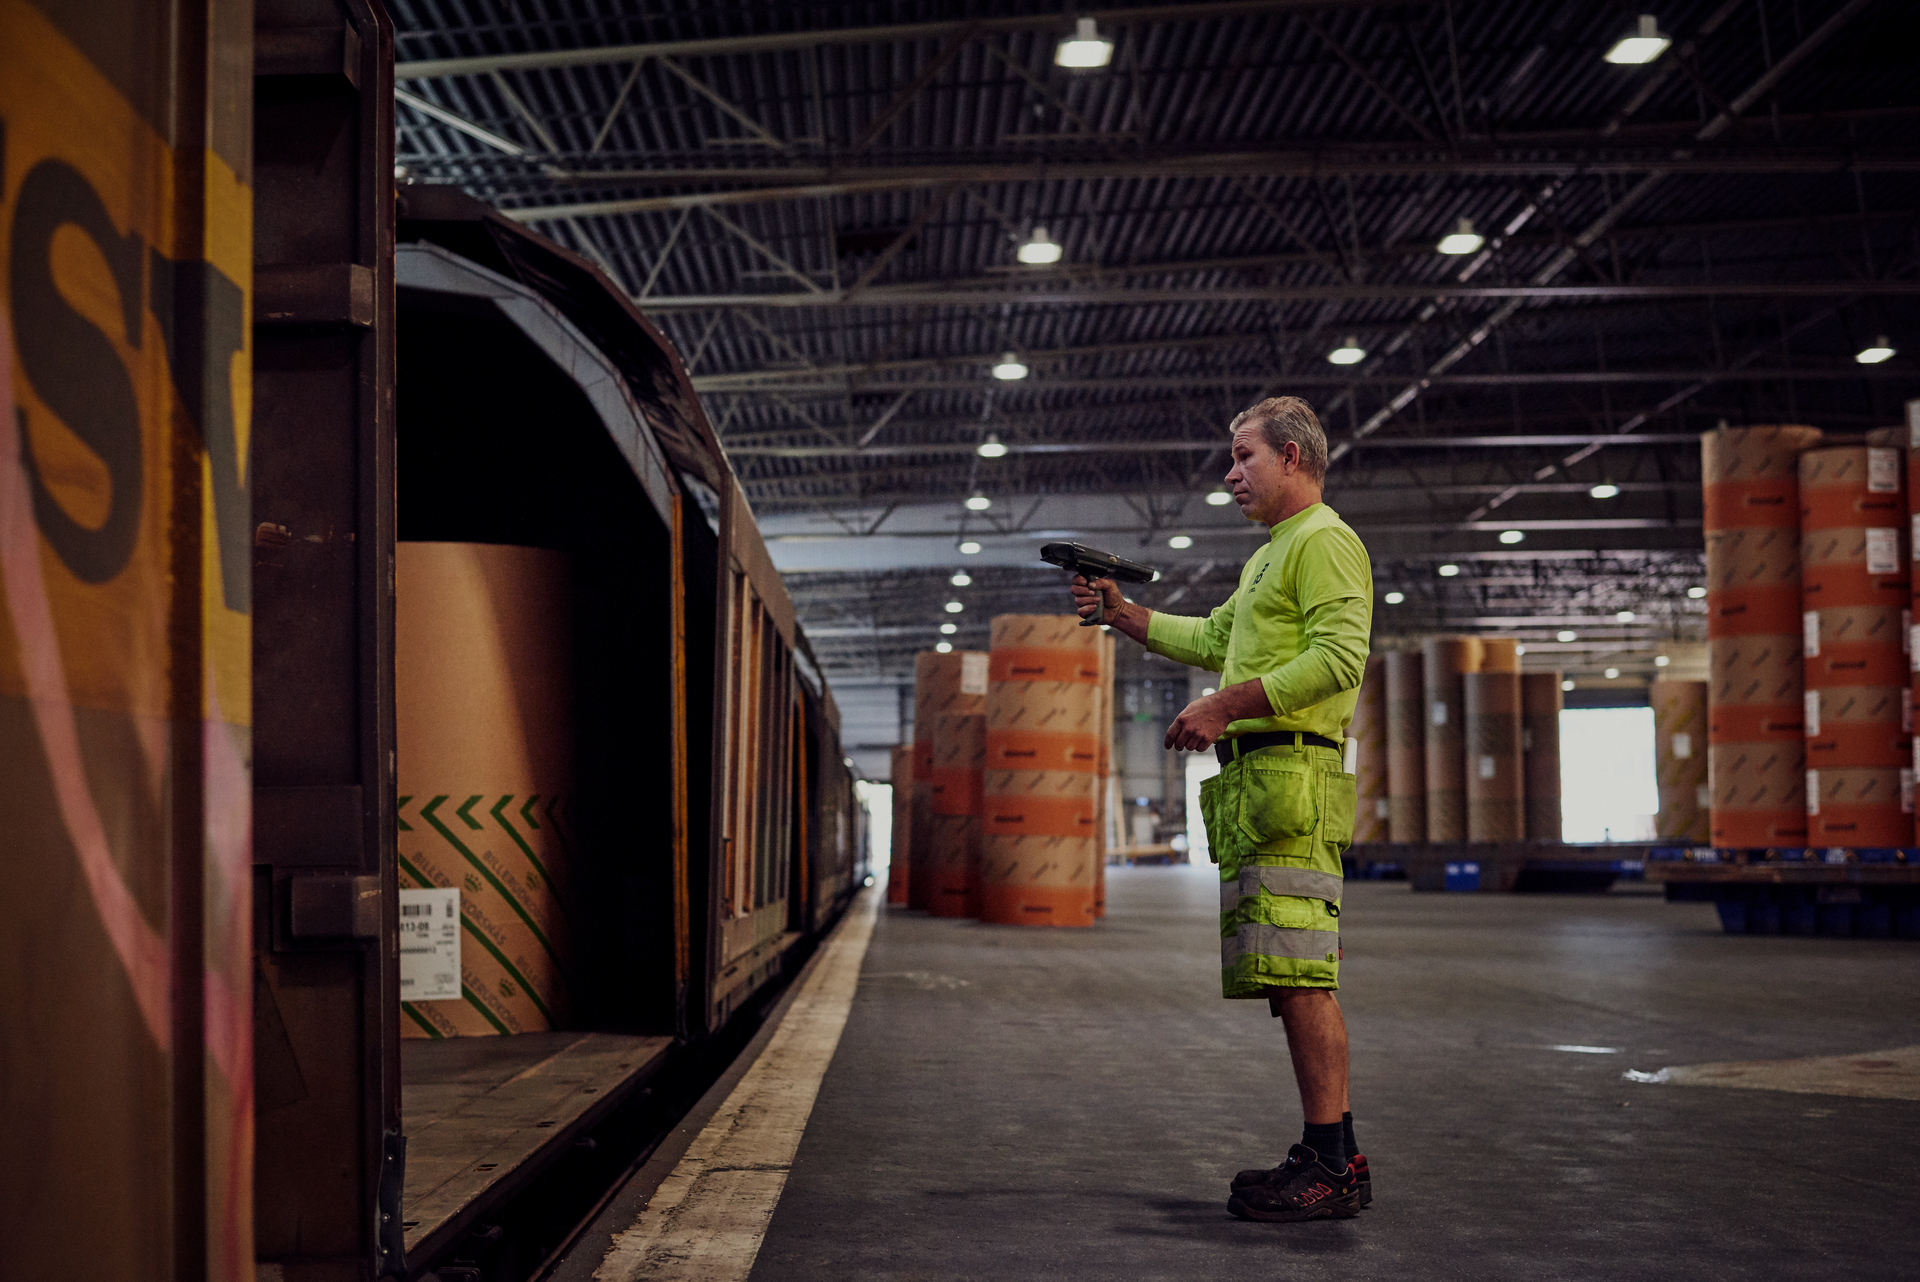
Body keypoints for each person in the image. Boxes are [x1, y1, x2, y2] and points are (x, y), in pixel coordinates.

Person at [1069, 396, 1373, 1223]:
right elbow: (1212, 638)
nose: (1229, 473)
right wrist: (1123, 614)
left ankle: (1336, 1167)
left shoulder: (1323, 542)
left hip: (1291, 781)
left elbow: (1341, 658)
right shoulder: (1272, 556)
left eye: (1243, 457)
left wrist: (1227, 706)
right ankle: (1322, 1150)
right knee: (1285, 974)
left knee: (1304, 975)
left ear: (1293, 459)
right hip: (1262, 786)